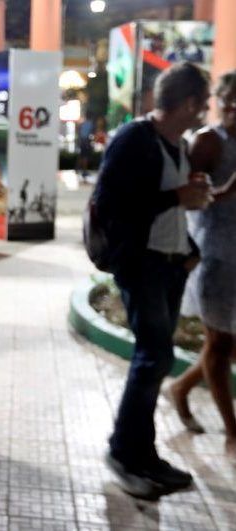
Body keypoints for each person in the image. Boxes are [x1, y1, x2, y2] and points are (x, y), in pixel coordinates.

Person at [93, 62, 213, 499]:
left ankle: (143, 454)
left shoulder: (177, 145)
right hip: (141, 264)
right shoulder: (133, 140)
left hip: (169, 264)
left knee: (155, 359)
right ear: (188, 103)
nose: (206, 111)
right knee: (153, 357)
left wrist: (188, 249)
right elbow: (112, 208)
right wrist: (174, 197)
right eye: (203, 103)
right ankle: (124, 452)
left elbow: (170, 209)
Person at [168, 71, 236, 457]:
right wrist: (227, 191)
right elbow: (190, 199)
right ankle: (232, 432)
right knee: (220, 341)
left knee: (227, 345)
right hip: (216, 253)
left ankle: (180, 387)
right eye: (229, 100)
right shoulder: (209, 141)